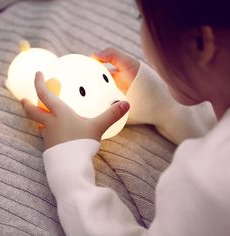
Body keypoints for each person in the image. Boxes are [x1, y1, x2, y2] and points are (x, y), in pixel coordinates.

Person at [21, 0, 230, 235]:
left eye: (141, 19)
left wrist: (70, 168)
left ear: (199, 43)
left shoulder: (205, 180)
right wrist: (158, 102)